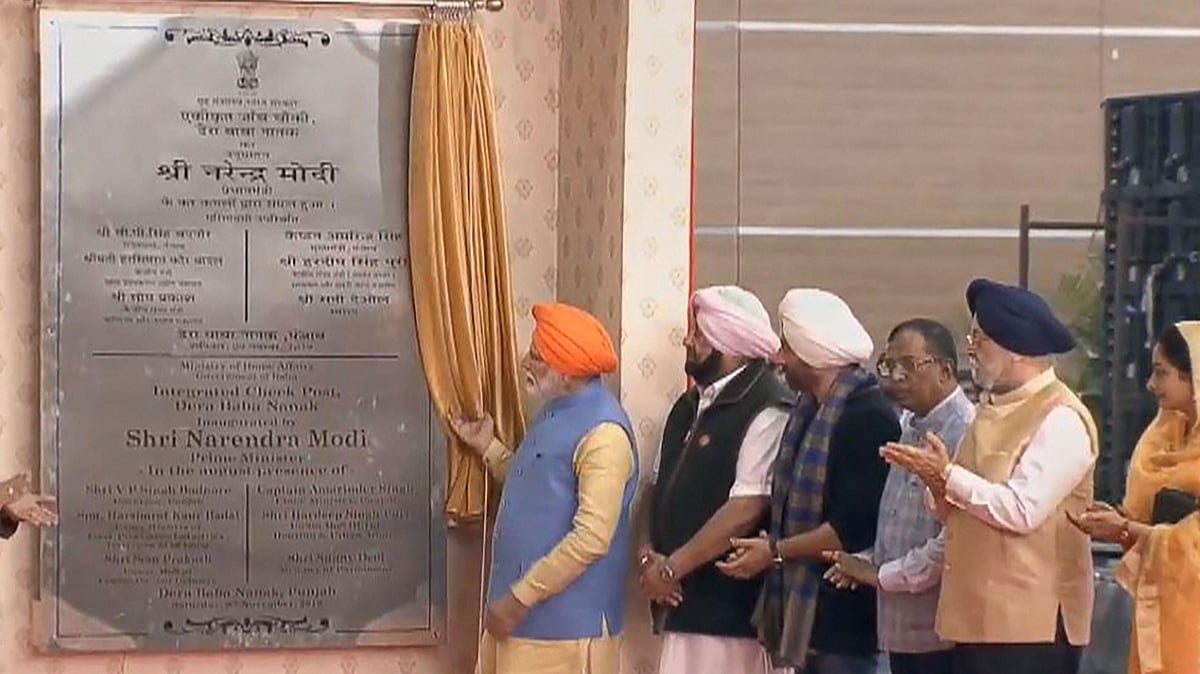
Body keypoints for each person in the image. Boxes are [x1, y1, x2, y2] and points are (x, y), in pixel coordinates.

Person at [882, 278, 1097, 674]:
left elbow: (1022, 509)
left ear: (1014, 347)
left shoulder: (1060, 417)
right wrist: (937, 484)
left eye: (979, 339)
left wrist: (947, 475)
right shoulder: (991, 409)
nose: (970, 350)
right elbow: (957, 514)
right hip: (975, 620)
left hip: (1029, 628)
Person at [718, 288, 899, 674]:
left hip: (845, 622)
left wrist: (775, 551)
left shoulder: (867, 416)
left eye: (788, 348)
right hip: (808, 617)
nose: (778, 358)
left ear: (815, 354)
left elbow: (851, 530)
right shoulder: (807, 410)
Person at [452, 302, 638, 674]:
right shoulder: (554, 411)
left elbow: (591, 539)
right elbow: (536, 483)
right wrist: (487, 446)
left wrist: (519, 599)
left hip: (564, 635)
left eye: (537, 356)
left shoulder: (604, 434)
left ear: (567, 372)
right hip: (520, 625)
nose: (525, 362)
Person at [640, 285, 793, 674]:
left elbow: (746, 507)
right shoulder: (688, 404)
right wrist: (649, 559)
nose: (688, 341)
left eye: (701, 335)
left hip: (729, 614)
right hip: (679, 602)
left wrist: (672, 568)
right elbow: (657, 488)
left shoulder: (767, 406)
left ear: (733, 344)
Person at [825, 319, 975, 674]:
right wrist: (863, 562)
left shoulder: (967, 433)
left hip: (941, 632)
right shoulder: (909, 427)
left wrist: (881, 575)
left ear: (945, 371)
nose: (896, 377)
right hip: (900, 627)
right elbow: (898, 522)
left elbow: (954, 540)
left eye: (908, 365)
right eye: (889, 365)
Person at [1072, 320, 1200, 674]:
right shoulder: (1163, 435)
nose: (1150, 385)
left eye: (1161, 373)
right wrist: (1118, 523)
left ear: (1194, 377)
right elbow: (1148, 521)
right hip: (1161, 608)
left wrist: (1126, 527)